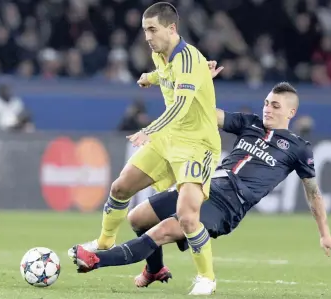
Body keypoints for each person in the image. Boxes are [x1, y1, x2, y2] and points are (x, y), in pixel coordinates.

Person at [71, 82, 331, 295]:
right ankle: (155, 270)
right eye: (266, 103)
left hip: (228, 205)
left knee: (165, 229)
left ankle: (97, 259)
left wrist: (325, 234)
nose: (267, 109)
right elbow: (206, 114)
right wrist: (200, 83)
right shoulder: (249, 123)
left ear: (291, 112)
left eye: (275, 106)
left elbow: (314, 193)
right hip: (205, 187)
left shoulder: (299, 148)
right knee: (137, 218)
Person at [69, 2, 223, 295]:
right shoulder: (159, 54)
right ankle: (104, 242)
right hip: (169, 141)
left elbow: (180, 105)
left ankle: (207, 278)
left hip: (196, 146)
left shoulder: (188, 59)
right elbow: (167, 77)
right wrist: (150, 78)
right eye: (145, 31)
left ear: (172, 28)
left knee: (188, 216)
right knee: (121, 187)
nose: (148, 36)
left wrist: (148, 130)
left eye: (153, 29)